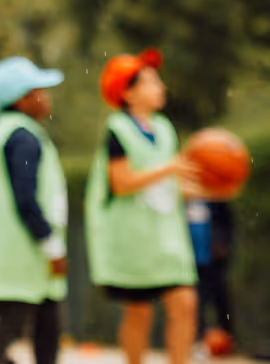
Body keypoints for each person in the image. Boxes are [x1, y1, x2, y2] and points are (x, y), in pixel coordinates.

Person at [85, 49, 199, 364]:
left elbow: (169, 184)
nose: (161, 87)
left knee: (185, 304)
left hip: (166, 237)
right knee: (139, 312)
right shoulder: (117, 130)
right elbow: (122, 183)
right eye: (151, 82)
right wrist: (169, 169)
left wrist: (206, 186)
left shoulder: (164, 128)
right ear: (127, 93)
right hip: (133, 238)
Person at [0, 58, 68, 364]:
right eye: (39, 91)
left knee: (46, 322)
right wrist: (50, 243)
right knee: (10, 324)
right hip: (25, 250)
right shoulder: (22, 137)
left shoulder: (1, 132)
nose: (46, 97)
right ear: (22, 99)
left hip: (11, 248)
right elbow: (25, 197)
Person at [187, 198, 233, 339]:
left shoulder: (215, 199)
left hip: (213, 259)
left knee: (220, 298)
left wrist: (223, 242)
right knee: (194, 302)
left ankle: (228, 335)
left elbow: (227, 222)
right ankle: (196, 337)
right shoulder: (179, 200)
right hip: (188, 262)